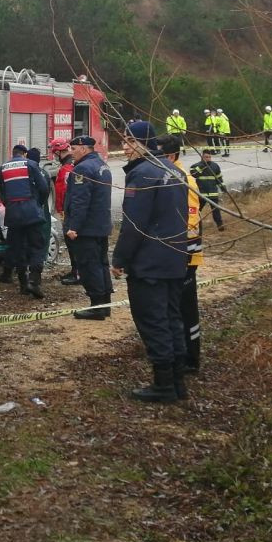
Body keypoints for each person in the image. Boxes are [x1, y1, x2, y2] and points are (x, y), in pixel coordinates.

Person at [113, 127, 190, 403]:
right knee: (172, 319)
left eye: (131, 141)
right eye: (123, 141)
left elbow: (134, 225)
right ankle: (178, 381)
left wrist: (119, 259)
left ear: (146, 143)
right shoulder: (174, 170)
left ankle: (164, 385)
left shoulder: (143, 173)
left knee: (153, 321)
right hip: (174, 258)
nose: (125, 147)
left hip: (149, 262)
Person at [64, 135, 114, 320]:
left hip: (87, 228)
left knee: (88, 265)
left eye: (73, 148)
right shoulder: (101, 165)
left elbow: (80, 201)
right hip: (100, 225)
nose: (71, 152)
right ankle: (105, 304)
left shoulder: (83, 168)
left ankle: (97, 306)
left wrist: (73, 227)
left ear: (84, 149)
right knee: (101, 264)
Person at [0, 143, 51, 299]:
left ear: (12, 154)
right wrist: (37, 203)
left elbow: (1, 191)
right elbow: (44, 188)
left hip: (13, 215)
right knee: (37, 247)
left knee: (18, 248)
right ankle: (34, 281)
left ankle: (23, 285)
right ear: (25, 154)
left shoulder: (2, 168)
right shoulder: (31, 164)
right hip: (32, 212)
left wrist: (10, 205)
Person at [170, 144, 205, 377]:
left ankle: (191, 358)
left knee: (186, 309)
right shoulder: (170, 175)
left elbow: (192, 220)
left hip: (185, 256)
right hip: (179, 254)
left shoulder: (183, 179)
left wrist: (186, 256)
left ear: (171, 155)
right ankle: (180, 353)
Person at [50, 139, 80, 286]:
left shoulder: (68, 169)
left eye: (56, 154)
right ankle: (75, 270)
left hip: (69, 211)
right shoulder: (68, 167)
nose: (55, 157)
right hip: (67, 210)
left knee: (73, 242)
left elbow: (66, 192)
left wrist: (62, 210)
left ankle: (78, 273)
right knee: (70, 242)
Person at [190, 149, 225, 230]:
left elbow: (219, 178)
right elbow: (194, 174)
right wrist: (202, 166)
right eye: (206, 157)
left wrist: (222, 187)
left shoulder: (215, 166)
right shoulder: (195, 166)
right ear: (202, 157)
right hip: (201, 193)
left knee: (216, 210)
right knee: (197, 210)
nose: (208, 159)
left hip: (213, 193)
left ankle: (220, 225)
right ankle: (192, 224)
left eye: (209, 157)